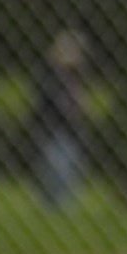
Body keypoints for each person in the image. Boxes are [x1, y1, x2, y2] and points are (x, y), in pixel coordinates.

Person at [30, 29, 88, 210]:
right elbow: (46, 100)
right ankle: (52, 203)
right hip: (52, 125)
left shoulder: (74, 75)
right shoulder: (50, 73)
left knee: (70, 164)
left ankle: (60, 202)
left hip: (70, 128)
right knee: (53, 164)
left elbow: (78, 100)